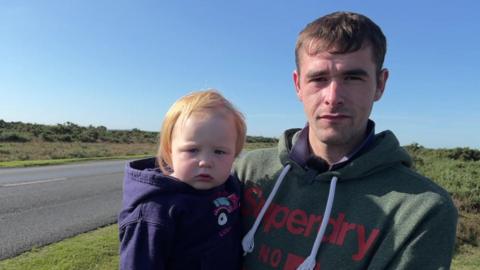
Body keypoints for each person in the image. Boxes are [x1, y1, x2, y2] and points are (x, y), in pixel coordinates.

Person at [235, 11, 458, 270]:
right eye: (318, 78)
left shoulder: (420, 210)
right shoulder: (246, 172)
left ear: (380, 84)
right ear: (298, 85)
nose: (333, 96)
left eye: (352, 78)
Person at [118, 90, 246, 270]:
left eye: (219, 151)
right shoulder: (155, 211)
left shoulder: (229, 188)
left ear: (234, 155)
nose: (205, 162)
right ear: (170, 151)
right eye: (192, 150)